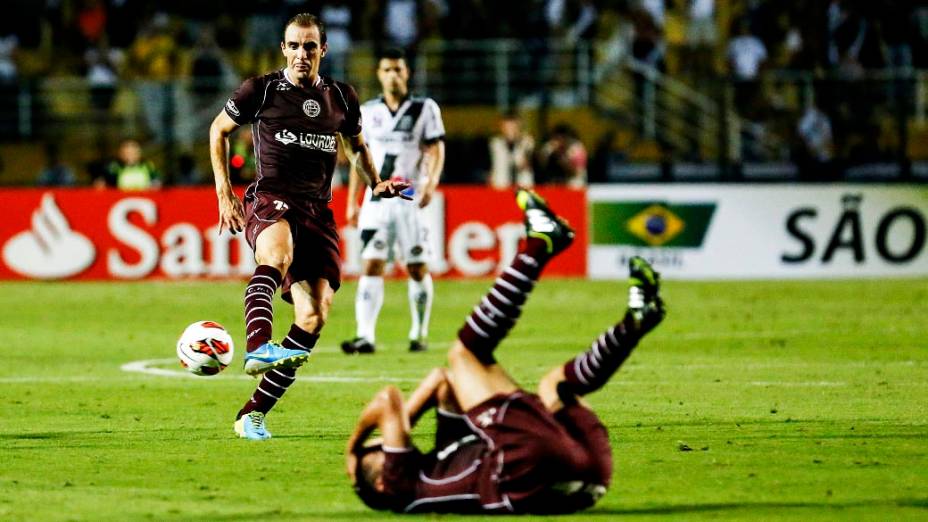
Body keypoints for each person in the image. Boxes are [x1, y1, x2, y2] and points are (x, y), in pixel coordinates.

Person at [346, 189, 666, 514]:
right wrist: (355, 447)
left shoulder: (444, 460)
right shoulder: (400, 489)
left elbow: (441, 381)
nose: (388, 443)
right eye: (385, 449)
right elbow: (388, 400)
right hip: (522, 468)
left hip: (583, 475)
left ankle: (637, 321)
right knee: (465, 353)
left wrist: (401, 429)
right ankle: (538, 246)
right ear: (383, 480)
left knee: (555, 386)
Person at [208, 13, 410, 441]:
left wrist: (377, 183)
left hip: (318, 210)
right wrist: (225, 193)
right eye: (295, 46)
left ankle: (253, 414)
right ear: (283, 48)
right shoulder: (259, 90)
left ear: (323, 50)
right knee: (276, 256)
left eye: (310, 47)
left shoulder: (341, 96)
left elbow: (356, 143)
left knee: (315, 314)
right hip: (271, 197)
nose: (302, 54)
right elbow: (219, 130)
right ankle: (259, 344)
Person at [341, 47, 445, 355]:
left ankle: (419, 333)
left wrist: (431, 182)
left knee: (416, 266)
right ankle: (365, 336)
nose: (393, 75)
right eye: (387, 70)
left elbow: (436, 148)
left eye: (398, 69)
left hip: (409, 198)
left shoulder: (425, 108)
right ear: (379, 74)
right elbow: (359, 158)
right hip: (376, 201)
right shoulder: (367, 111)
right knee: (371, 264)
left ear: (407, 73)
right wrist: (352, 201)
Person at [487, 111, 535, 190]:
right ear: (502, 127)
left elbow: (525, 163)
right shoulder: (495, 144)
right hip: (500, 187)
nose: (510, 130)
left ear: (519, 126)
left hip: (523, 188)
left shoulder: (527, 142)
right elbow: (491, 166)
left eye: (513, 127)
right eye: (507, 127)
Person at [95, 139, 160, 190]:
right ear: (121, 153)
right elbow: (103, 183)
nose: (130, 155)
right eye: (127, 152)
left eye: (133, 152)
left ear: (139, 153)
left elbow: (156, 181)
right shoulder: (114, 167)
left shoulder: (147, 166)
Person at [537, 123, 587, 188]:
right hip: (556, 183)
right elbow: (541, 163)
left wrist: (560, 155)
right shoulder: (551, 147)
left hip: (574, 183)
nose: (555, 140)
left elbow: (576, 172)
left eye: (557, 138)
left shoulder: (576, 148)